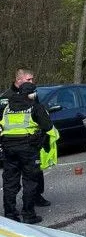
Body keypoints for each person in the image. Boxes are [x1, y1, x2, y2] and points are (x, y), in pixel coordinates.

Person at [0, 82, 53, 224]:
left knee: (10, 182)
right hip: (28, 149)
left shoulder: (7, 107)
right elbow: (48, 126)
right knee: (30, 182)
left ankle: (11, 216)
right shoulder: (35, 107)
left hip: (8, 149)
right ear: (33, 94)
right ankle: (28, 215)